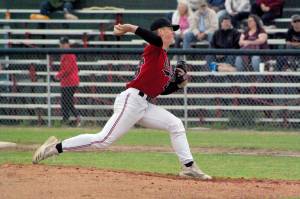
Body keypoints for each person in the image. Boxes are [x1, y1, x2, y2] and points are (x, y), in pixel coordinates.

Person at [32, 18, 212, 180]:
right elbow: (152, 38)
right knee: (102, 141)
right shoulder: (154, 48)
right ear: (159, 32)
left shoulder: (164, 59)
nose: (173, 32)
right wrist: (131, 28)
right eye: (169, 29)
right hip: (132, 100)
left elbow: (160, 90)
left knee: (175, 125)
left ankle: (188, 167)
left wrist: (179, 85)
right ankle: (54, 148)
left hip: (144, 104)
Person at [56, 36, 81, 126]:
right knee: (67, 101)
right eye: (61, 44)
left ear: (67, 44)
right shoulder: (65, 53)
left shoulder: (68, 54)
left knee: (66, 101)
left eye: (63, 44)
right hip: (67, 82)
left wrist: (57, 76)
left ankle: (67, 119)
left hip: (70, 82)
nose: (62, 46)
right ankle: (75, 118)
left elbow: (67, 69)